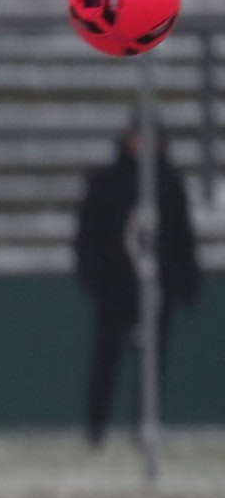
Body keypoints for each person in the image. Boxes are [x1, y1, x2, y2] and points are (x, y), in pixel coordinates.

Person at [73, 116, 201, 449]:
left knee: (152, 365)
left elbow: (181, 236)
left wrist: (186, 279)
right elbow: (88, 235)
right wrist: (95, 277)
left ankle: (145, 426)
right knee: (107, 360)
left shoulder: (168, 181)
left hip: (157, 289)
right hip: (116, 288)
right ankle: (96, 430)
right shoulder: (106, 181)